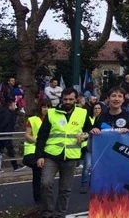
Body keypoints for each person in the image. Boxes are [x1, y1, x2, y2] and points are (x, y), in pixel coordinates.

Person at [35, 87, 92, 218]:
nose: (68, 101)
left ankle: (60, 215)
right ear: (61, 99)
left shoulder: (83, 113)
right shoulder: (51, 113)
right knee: (45, 184)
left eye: (71, 99)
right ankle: (47, 212)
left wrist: (85, 135)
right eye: (65, 99)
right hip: (51, 155)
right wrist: (39, 156)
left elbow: (90, 130)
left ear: (76, 100)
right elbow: (42, 136)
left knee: (65, 189)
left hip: (71, 156)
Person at [23, 99, 53, 205]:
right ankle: (39, 198)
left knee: (40, 175)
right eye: (44, 107)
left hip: (47, 150)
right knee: (38, 172)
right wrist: (38, 141)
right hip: (32, 150)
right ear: (40, 108)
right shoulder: (33, 119)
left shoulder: (53, 120)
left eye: (48, 107)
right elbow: (27, 135)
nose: (46, 109)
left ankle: (40, 198)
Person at [80, 102, 104, 194]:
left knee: (97, 166)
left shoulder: (103, 119)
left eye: (99, 108)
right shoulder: (88, 118)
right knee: (87, 165)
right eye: (95, 108)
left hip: (100, 146)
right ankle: (83, 184)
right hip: (88, 145)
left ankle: (93, 184)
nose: (97, 110)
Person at [0, 100, 27, 172]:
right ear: (10, 106)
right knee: (8, 150)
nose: (16, 106)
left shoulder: (6, 112)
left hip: (5, 134)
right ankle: (15, 166)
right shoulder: (7, 114)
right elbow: (4, 124)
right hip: (5, 134)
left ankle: (15, 166)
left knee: (2, 151)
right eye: (14, 105)